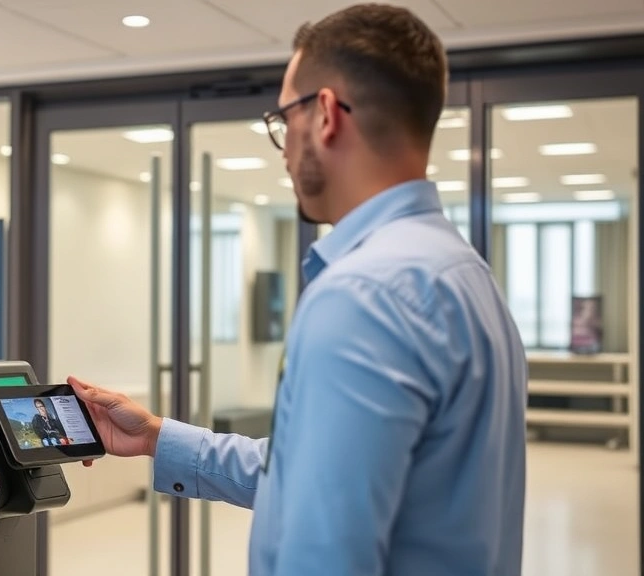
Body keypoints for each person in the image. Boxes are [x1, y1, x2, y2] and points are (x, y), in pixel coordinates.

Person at [72, 4, 528, 575]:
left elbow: (324, 553)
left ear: (327, 115)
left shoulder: (363, 295)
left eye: (284, 119)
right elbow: (312, 471)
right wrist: (158, 437)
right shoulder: (464, 274)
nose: (284, 147)